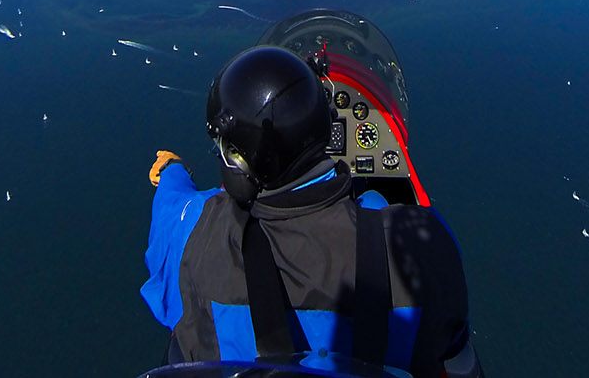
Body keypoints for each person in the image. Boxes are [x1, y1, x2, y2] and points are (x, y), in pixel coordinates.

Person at [141, 45, 484, 377]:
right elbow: (453, 347)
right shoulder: (422, 245)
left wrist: (173, 168)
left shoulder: (192, 233)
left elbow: (171, 205)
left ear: (237, 162)